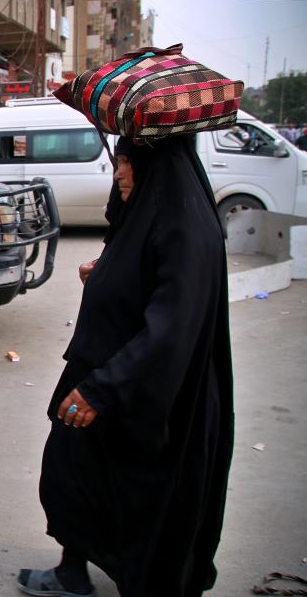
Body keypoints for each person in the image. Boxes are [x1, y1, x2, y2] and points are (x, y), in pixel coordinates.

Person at [17, 136, 234, 597]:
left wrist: (102, 390)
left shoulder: (185, 228)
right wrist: (105, 272)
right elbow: (137, 272)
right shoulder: (149, 216)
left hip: (141, 398)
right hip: (103, 380)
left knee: (144, 504)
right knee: (73, 477)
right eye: (120, 161)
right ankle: (71, 570)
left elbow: (170, 327)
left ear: (158, 169)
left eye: (129, 164)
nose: (119, 173)